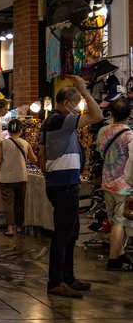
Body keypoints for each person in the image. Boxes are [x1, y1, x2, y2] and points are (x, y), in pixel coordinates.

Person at [40, 76, 103, 297]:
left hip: (63, 181)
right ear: (67, 102)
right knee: (63, 233)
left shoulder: (52, 121)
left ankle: (67, 277)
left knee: (71, 231)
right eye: (76, 104)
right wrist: (84, 91)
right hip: (63, 183)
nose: (78, 109)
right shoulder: (60, 120)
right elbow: (97, 115)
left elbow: (41, 153)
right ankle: (56, 281)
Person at [97, 97, 133, 271]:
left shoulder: (103, 131)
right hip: (123, 184)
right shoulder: (129, 135)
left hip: (107, 181)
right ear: (130, 113)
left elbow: (100, 152)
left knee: (114, 220)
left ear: (111, 113)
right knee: (120, 222)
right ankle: (113, 260)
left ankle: (119, 253)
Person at [0, 119, 37, 236]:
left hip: (6, 178)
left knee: (8, 203)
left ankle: (9, 228)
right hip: (21, 176)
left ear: (8, 130)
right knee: (20, 202)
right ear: (21, 130)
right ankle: (19, 227)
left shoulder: (3, 143)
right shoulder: (25, 143)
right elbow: (34, 159)